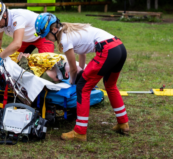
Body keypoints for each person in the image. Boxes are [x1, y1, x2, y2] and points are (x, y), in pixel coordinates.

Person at [34, 13, 129, 142]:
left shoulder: (64, 39)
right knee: (110, 85)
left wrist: (73, 82)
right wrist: (83, 72)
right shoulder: (71, 31)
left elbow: (73, 68)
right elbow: (82, 54)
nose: (47, 39)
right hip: (119, 47)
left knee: (83, 88)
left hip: (107, 50)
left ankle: (80, 132)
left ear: (54, 29)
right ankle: (123, 122)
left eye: (46, 35)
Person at [0, 1, 55, 75]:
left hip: (42, 36)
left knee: (47, 66)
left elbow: (17, 44)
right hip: (24, 39)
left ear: (4, 15)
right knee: (15, 64)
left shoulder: (18, 17)